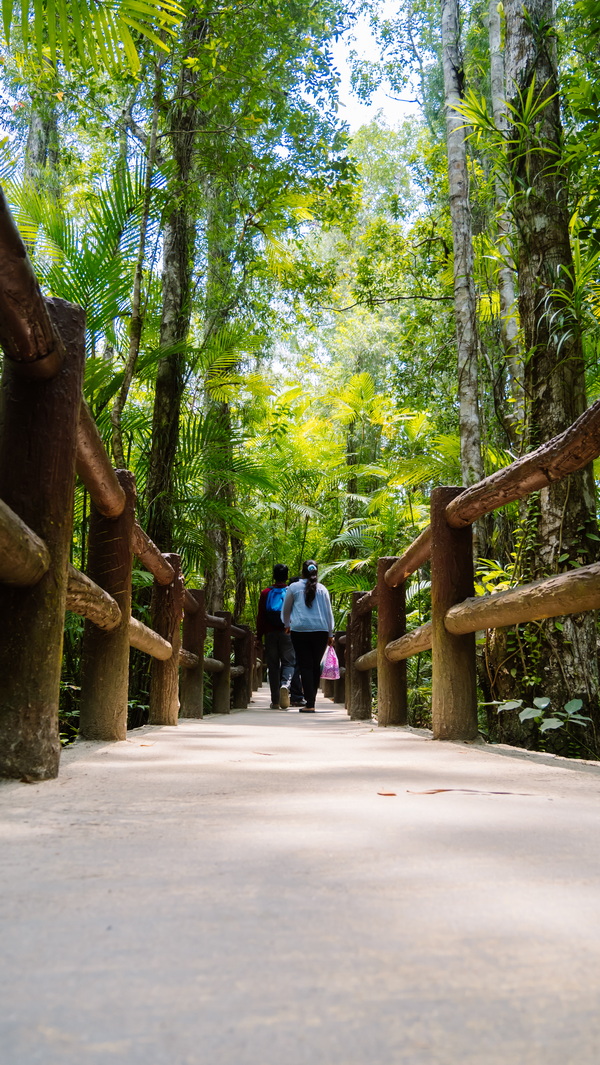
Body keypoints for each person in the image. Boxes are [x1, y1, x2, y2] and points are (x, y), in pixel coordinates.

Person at [282, 559, 334, 713]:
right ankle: (312, 700)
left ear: (302, 572)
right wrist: (330, 633)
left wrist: (286, 625)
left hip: (300, 630)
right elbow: (328, 613)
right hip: (321, 630)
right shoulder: (323, 589)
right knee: (315, 665)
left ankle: (309, 703)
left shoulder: (293, 587)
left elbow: (286, 609)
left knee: (305, 665)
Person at [256, 563, 296, 709]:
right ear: (286, 576)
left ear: (274, 575)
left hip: (270, 633)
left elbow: (261, 616)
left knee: (273, 666)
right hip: (288, 632)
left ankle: (275, 700)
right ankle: (285, 684)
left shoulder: (266, 592)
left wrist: (258, 636)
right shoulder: (291, 591)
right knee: (289, 663)